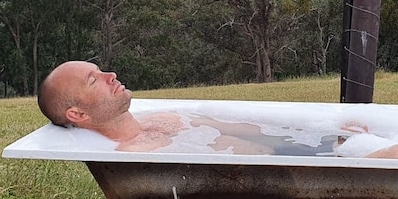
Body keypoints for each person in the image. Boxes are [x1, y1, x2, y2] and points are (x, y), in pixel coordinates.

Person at [37, 60, 271, 153]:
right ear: (78, 114)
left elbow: (254, 131)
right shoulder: (131, 154)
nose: (111, 75)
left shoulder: (164, 117)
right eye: (93, 80)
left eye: (101, 70)